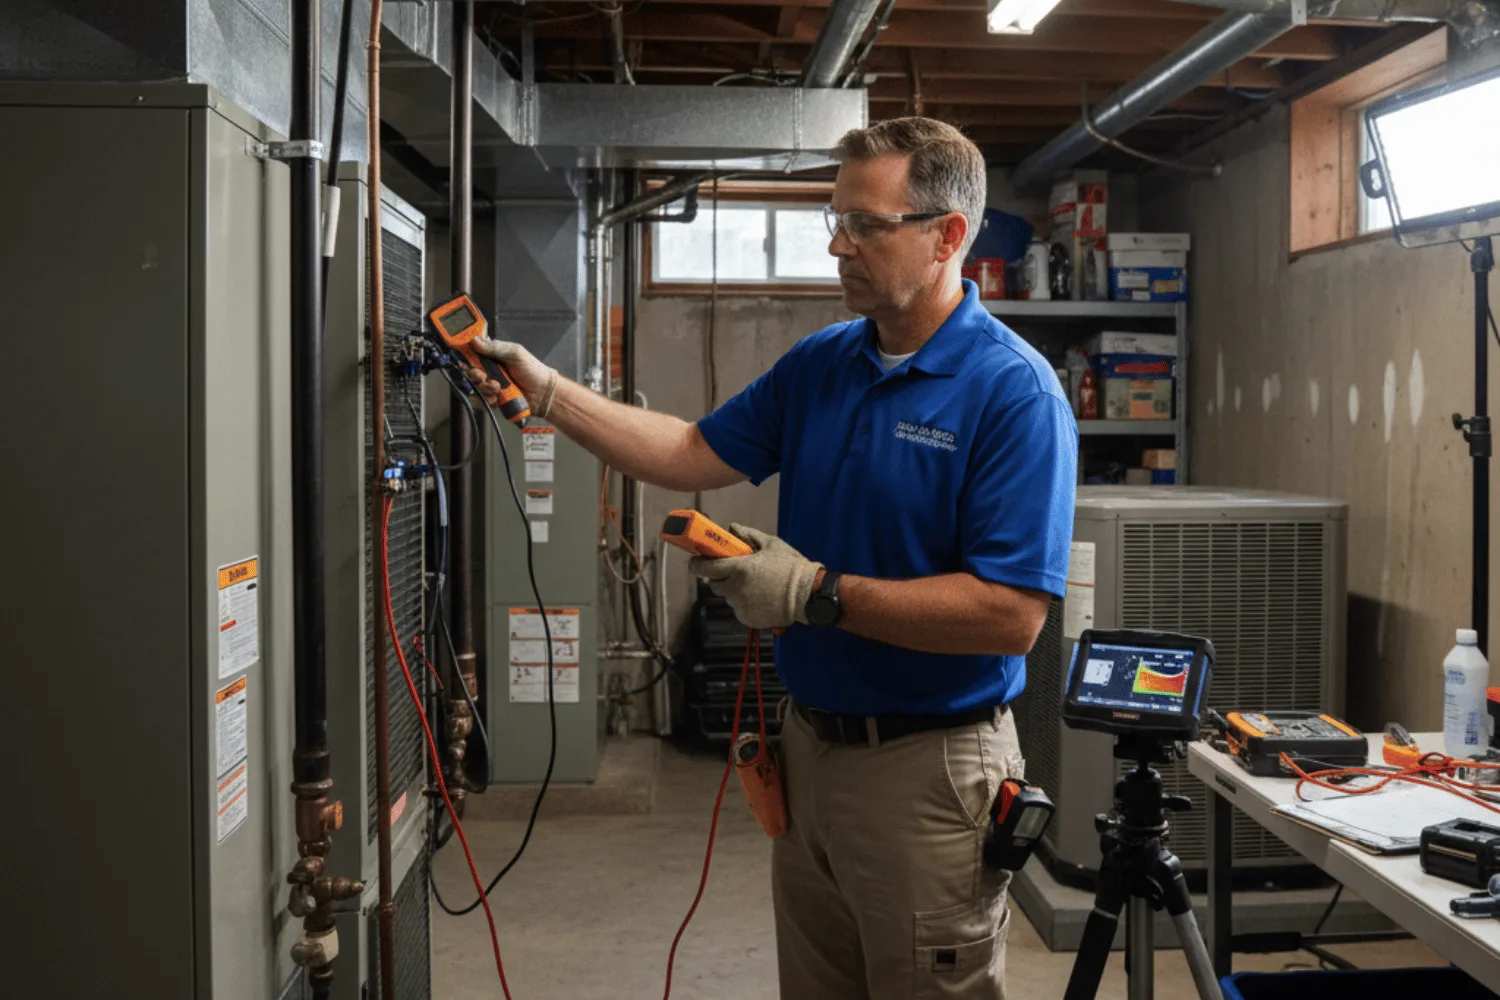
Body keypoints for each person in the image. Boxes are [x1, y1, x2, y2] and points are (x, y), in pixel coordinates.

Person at [468, 116, 1077, 999]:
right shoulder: (824, 363)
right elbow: (687, 452)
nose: (838, 243)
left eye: (866, 224)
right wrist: (550, 391)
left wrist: (813, 594)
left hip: (929, 773)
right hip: (808, 754)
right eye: (835, 219)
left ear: (948, 236)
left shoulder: (1014, 394)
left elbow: (1009, 617)